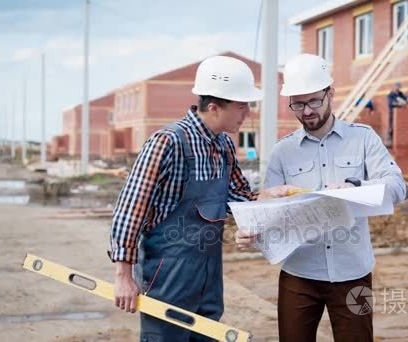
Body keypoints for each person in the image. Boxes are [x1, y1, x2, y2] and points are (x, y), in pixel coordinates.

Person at [109, 55, 292, 341]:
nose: (247, 115)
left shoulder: (224, 146)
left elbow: (241, 197)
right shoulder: (167, 142)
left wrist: (275, 197)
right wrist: (123, 275)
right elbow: (130, 209)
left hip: (208, 270)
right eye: (242, 107)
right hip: (168, 271)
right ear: (215, 108)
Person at [236, 54, 406, 342]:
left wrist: (355, 188)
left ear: (331, 94)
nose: (307, 112)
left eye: (314, 101)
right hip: (299, 273)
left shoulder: (363, 139)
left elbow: (396, 186)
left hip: (354, 271)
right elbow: (270, 210)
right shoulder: (282, 152)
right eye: (298, 104)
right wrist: (252, 228)